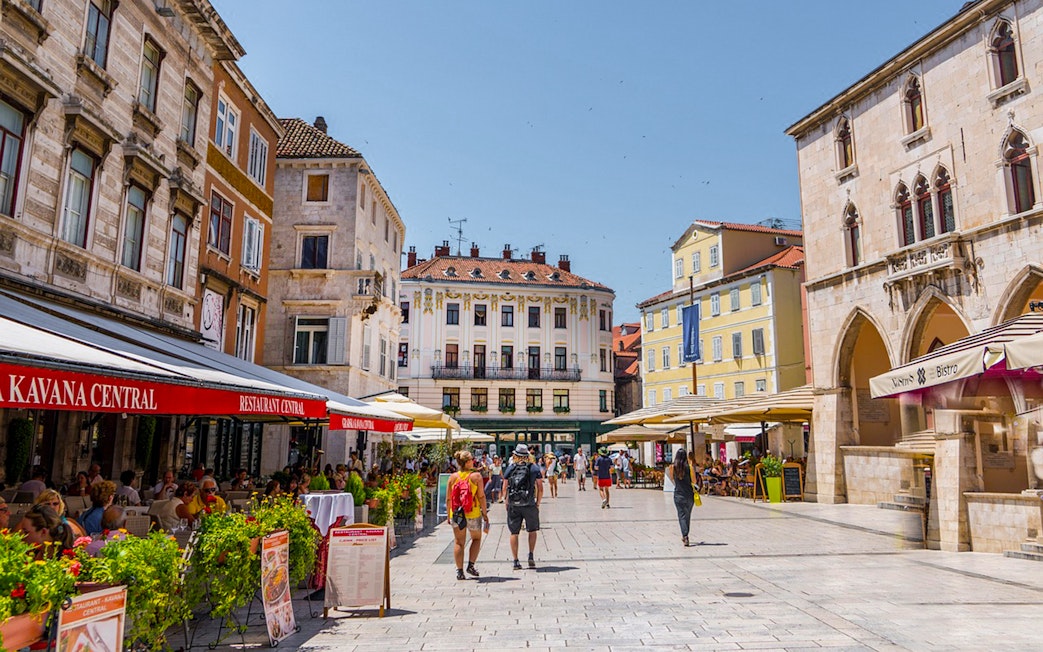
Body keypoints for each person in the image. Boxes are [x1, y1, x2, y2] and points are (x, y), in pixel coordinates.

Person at [445, 450, 489, 580]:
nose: (473, 461)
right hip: (473, 512)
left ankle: (459, 571)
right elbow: (481, 496)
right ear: (467, 462)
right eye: (471, 459)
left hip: (457, 513)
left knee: (459, 542)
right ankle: (470, 565)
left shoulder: (452, 477)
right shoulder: (476, 476)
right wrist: (485, 513)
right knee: (476, 538)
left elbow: (448, 499)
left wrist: (448, 515)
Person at [502, 444, 543, 570]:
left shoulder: (511, 468)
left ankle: (515, 561)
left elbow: (504, 488)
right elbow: (540, 488)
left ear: (515, 455)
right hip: (529, 503)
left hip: (514, 504)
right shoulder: (534, 468)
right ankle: (530, 555)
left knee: (514, 532)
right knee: (532, 530)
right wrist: (537, 503)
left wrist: (506, 502)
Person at [666, 449, 697, 547]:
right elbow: (694, 481)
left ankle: (685, 535)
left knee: (681, 515)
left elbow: (672, 479)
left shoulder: (672, 467)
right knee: (687, 515)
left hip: (678, 494)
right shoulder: (690, 468)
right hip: (689, 494)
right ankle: (685, 533)